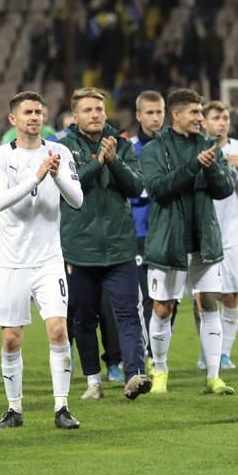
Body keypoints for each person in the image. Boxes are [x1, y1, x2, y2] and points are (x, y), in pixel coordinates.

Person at [0, 91, 84, 430]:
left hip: (48, 261)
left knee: (58, 329)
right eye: (27, 112)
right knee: (11, 337)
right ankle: (14, 409)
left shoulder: (60, 152)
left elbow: (77, 200)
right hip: (11, 262)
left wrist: (55, 175)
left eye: (39, 112)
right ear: (13, 119)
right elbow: (0, 202)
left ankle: (62, 408)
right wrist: (37, 177)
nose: (34, 117)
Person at [139, 88, 235, 395]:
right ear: (176, 115)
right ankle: (161, 371)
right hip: (169, 240)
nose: (199, 117)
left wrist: (211, 166)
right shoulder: (156, 149)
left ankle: (214, 376)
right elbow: (157, 189)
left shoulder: (209, 145)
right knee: (163, 307)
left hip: (204, 239)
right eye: (194, 112)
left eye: (200, 112)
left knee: (208, 304)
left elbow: (225, 189)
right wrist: (194, 165)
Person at [59, 88, 152, 402]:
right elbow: (68, 185)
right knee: (83, 317)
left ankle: (135, 374)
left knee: (127, 314)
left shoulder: (121, 144)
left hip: (118, 245)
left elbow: (136, 186)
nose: (95, 114)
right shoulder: (62, 147)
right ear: (76, 115)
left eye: (99, 109)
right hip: (80, 247)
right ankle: (93, 381)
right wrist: (100, 163)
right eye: (87, 110)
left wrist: (113, 162)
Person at [203, 100, 238, 371]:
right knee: (204, 297)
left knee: (230, 296)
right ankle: (209, 349)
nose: (222, 122)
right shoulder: (198, 149)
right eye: (216, 117)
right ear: (205, 122)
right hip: (204, 234)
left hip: (234, 234)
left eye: (225, 117)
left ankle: (224, 353)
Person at [129, 90, 165, 365]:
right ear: (139, 115)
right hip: (138, 234)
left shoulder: (170, 147)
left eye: (159, 112)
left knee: (167, 299)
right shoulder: (128, 149)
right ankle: (148, 355)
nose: (155, 118)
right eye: (150, 113)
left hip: (166, 233)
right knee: (144, 299)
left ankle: (157, 352)